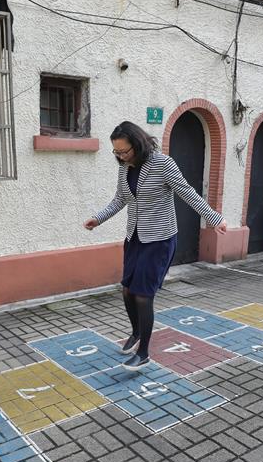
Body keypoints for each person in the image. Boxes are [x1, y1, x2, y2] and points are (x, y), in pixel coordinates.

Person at [84, 121, 227, 370]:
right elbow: (120, 198)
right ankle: (137, 331)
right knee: (128, 290)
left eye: (123, 151)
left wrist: (214, 218)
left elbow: (187, 192)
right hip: (135, 237)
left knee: (143, 295)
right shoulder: (125, 167)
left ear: (137, 145)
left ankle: (144, 353)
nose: (119, 156)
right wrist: (99, 218)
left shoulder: (163, 164)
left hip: (159, 240)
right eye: (115, 152)